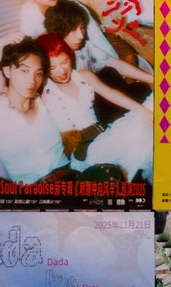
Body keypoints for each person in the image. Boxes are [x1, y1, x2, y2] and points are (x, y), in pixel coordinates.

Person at [36, 33, 153, 182]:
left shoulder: (84, 76)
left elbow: (110, 92)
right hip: (86, 150)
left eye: (64, 62)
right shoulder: (44, 89)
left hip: (105, 134)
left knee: (148, 112)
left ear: (70, 56)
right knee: (138, 136)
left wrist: (142, 110)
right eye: (52, 67)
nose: (61, 71)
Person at [0, 37, 69, 184]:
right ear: (8, 71)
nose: (32, 81)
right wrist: (1, 45)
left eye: (38, 73)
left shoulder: (44, 99)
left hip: (69, 175)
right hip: (33, 189)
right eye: (24, 71)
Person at [44, 0, 153, 121]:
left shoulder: (84, 47)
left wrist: (153, 79)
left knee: (117, 76)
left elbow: (115, 64)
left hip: (107, 95)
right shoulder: (54, 60)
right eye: (73, 30)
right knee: (110, 76)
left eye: (82, 28)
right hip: (90, 112)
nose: (81, 35)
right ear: (58, 33)